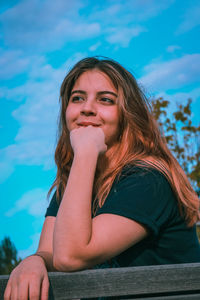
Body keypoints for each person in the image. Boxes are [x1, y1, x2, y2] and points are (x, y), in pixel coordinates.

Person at [4, 57, 200, 300]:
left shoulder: (148, 178)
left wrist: (85, 152)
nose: (87, 108)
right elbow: (50, 253)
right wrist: (33, 261)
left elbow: (69, 256)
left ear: (127, 115)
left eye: (105, 99)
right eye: (77, 98)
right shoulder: (74, 182)